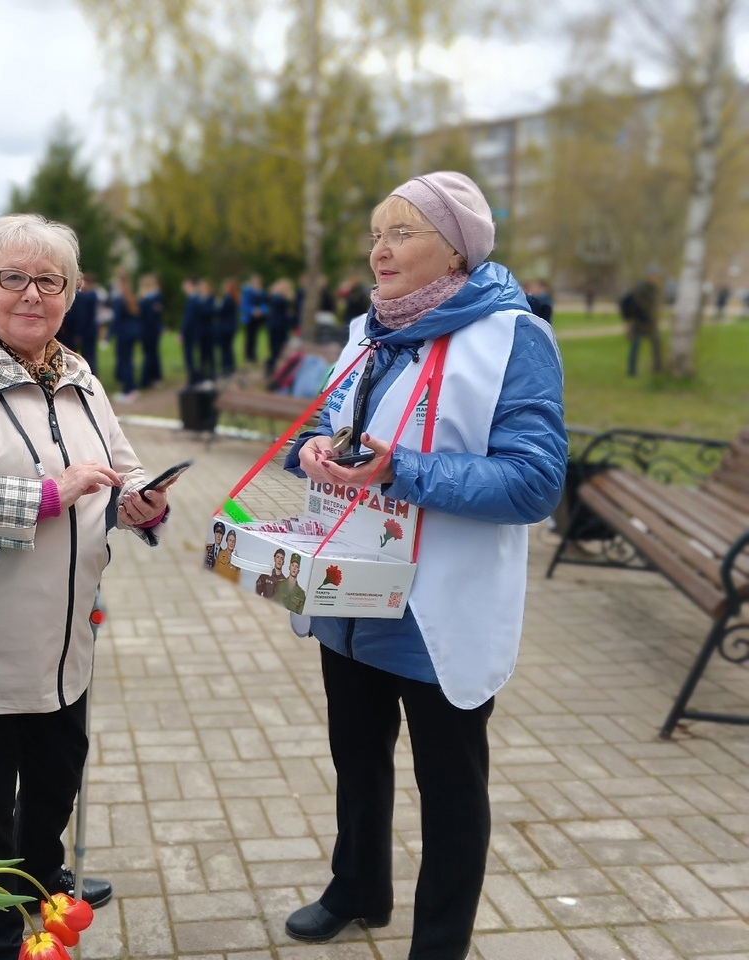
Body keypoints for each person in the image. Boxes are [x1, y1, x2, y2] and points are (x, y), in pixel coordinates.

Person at [281, 171, 566, 958]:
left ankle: (440, 943)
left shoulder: (513, 336)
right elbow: (324, 425)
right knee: (356, 758)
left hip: (436, 607)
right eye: (376, 234)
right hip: (350, 591)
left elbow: (535, 481)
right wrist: (313, 449)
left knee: (450, 787)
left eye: (402, 233)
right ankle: (357, 889)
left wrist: (400, 470)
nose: (381, 249)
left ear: (457, 251)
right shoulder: (368, 330)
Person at [0, 213, 169, 960]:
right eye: (13, 277)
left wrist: (142, 500)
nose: (32, 294)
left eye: (50, 280)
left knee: (55, 787)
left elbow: (123, 466)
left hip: (68, 642)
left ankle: (44, 887)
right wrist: (48, 495)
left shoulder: (79, 376)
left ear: (71, 292)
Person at [58, 271, 100, 375]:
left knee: (83, 355)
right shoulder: (89, 295)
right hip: (85, 329)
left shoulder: (82, 296)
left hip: (76, 331)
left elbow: (79, 316)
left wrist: (77, 333)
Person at [623, 269, 662, 376]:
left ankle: (657, 369)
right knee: (635, 346)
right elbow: (637, 304)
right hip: (639, 323)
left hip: (651, 323)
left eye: (656, 276)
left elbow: (653, 306)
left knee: (657, 343)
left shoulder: (654, 289)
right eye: (653, 276)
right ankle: (632, 371)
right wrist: (638, 318)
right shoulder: (641, 288)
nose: (655, 278)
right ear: (649, 276)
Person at [110, 267, 141, 401]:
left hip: (123, 334)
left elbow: (116, 319)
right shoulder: (131, 296)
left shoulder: (120, 299)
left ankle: (127, 391)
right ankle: (131, 388)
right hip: (132, 332)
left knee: (124, 361)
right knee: (129, 360)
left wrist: (108, 335)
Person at [138, 273, 164, 390]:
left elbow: (152, 315)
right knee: (152, 354)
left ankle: (146, 379)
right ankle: (155, 377)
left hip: (149, 330)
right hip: (149, 329)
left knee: (150, 354)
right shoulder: (148, 298)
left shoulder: (151, 297)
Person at [265, 277, 295, 376]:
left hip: (279, 327)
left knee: (278, 349)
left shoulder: (280, 298)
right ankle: (271, 367)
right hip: (277, 327)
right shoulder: (279, 298)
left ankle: (272, 367)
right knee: (276, 349)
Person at [216, 278, 239, 378]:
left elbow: (221, 312)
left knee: (225, 349)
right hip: (231, 327)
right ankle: (231, 368)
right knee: (229, 348)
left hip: (225, 327)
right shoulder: (233, 298)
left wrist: (217, 305)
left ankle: (226, 369)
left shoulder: (227, 298)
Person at [241, 274, 265, 362]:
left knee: (255, 336)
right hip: (250, 317)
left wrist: (261, 310)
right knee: (249, 336)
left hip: (258, 317)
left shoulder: (260, 292)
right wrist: (253, 310)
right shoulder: (248, 291)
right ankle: (248, 355)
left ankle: (253, 354)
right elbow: (244, 304)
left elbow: (264, 304)